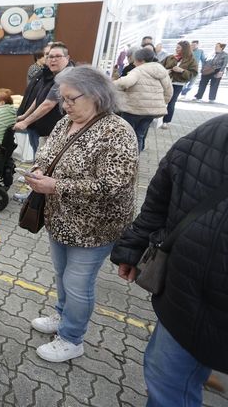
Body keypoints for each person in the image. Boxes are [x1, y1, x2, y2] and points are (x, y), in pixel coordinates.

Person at [110, 115, 228, 406]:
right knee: (165, 380)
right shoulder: (215, 131)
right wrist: (134, 247)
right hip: (187, 297)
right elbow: (160, 196)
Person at [26, 65, 138, 363]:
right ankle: (62, 315)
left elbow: (112, 185)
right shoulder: (66, 123)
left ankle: (72, 338)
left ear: (96, 95)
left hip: (94, 227)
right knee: (62, 275)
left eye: (71, 99)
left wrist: (56, 186)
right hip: (60, 219)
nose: (65, 105)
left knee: (78, 283)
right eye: (63, 99)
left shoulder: (117, 132)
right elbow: (46, 154)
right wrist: (38, 170)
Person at [14, 42, 73, 154]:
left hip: (53, 131)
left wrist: (25, 122)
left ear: (67, 57)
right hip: (40, 128)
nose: (53, 60)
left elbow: (48, 104)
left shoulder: (66, 76)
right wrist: (25, 116)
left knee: (44, 159)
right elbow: (39, 97)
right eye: (50, 56)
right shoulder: (50, 73)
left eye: (57, 56)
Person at [114, 48, 172, 152]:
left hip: (134, 109)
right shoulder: (161, 70)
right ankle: (136, 157)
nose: (133, 63)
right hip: (151, 111)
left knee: (126, 134)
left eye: (134, 60)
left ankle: (124, 156)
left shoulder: (138, 70)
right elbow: (169, 90)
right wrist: (162, 103)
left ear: (140, 60)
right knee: (140, 135)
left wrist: (110, 85)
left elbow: (125, 82)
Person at [160, 40, 198, 129]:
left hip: (178, 84)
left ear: (184, 49)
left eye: (178, 48)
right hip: (166, 82)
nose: (176, 49)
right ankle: (153, 118)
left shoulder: (191, 60)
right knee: (160, 100)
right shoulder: (170, 57)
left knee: (171, 102)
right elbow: (160, 66)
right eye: (176, 47)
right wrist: (166, 71)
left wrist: (182, 71)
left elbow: (193, 74)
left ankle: (166, 121)